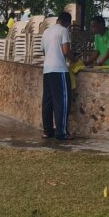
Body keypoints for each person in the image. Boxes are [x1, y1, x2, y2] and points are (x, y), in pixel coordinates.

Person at [41, 11, 73, 140]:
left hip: (47, 70)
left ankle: (47, 131)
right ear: (67, 23)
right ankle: (61, 132)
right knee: (62, 101)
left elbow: (43, 50)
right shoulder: (63, 30)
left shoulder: (46, 32)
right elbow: (66, 51)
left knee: (48, 102)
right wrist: (75, 59)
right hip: (59, 70)